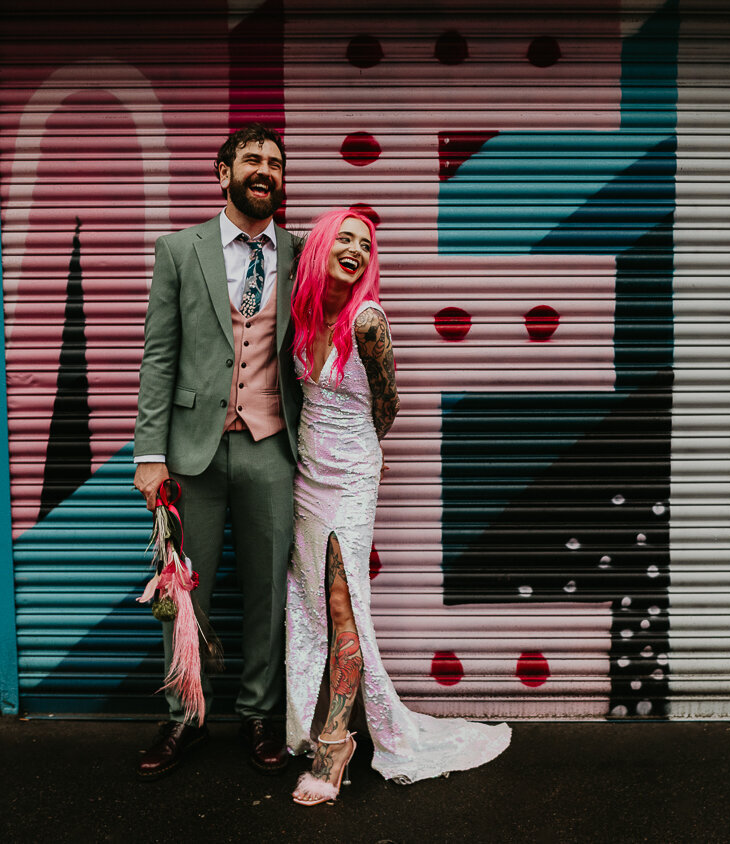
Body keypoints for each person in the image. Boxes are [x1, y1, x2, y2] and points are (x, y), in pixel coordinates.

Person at [285, 209, 511, 805]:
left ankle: (336, 744)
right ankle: (310, 724)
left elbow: (388, 406)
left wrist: (355, 448)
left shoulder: (367, 321)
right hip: (306, 477)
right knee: (310, 601)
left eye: (366, 243)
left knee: (343, 604)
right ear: (320, 246)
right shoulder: (304, 312)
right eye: (346, 238)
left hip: (351, 478)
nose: (357, 249)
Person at [131, 123, 302, 779]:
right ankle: (184, 717)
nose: (266, 171)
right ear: (222, 171)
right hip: (190, 453)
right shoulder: (180, 249)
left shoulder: (302, 253)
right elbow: (158, 356)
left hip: (271, 447)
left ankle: (260, 713)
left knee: (266, 593)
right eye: (253, 160)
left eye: (276, 164)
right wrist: (150, 452)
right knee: (183, 598)